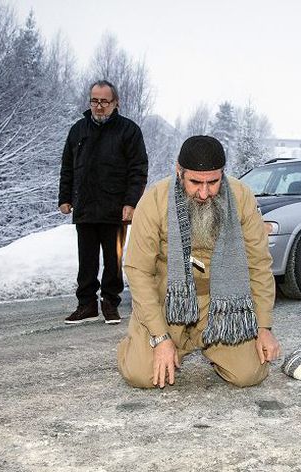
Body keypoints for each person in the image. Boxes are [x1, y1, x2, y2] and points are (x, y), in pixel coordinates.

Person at [117, 135, 280, 388]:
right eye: (195, 182)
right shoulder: (154, 200)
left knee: (250, 373)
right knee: (140, 375)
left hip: (220, 308)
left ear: (222, 175)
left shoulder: (241, 197)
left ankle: (209, 343)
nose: (204, 193)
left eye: (213, 182)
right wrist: (160, 337)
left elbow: (258, 264)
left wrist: (263, 326)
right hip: (168, 304)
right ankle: (138, 340)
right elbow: (137, 270)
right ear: (179, 172)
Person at [58, 80, 148, 325]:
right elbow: (67, 166)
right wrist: (64, 197)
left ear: (115, 103)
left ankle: (110, 302)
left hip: (115, 209)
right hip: (85, 206)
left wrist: (131, 202)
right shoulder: (78, 130)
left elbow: (138, 169)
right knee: (86, 259)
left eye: (104, 101)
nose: (98, 106)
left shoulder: (128, 130)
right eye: (94, 101)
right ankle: (86, 305)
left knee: (113, 260)